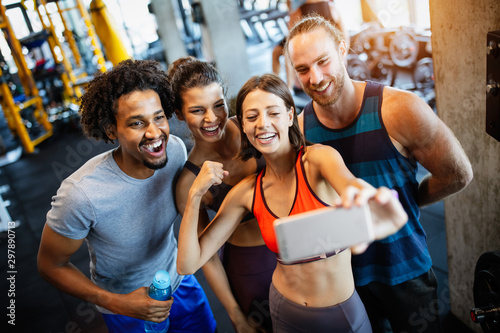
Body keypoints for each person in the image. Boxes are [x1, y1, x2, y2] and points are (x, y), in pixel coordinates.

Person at [176, 73, 409, 332]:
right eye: (252, 117)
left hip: (342, 314)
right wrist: (195, 194)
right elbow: (188, 264)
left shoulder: (319, 159)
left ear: (289, 115)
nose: (263, 124)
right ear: (242, 125)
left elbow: (350, 185)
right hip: (285, 312)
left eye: (273, 113)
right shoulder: (246, 192)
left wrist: (366, 197)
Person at [285, 15, 473, 332]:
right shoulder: (302, 130)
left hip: (405, 270)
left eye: (323, 61)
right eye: (303, 69)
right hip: (345, 280)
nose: (315, 77)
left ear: (342, 49)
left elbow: (457, 174)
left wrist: (404, 203)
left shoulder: (400, 109)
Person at [37, 59, 217, 333]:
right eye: (137, 123)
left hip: (180, 283)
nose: (155, 133)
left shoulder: (176, 152)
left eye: (159, 117)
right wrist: (118, 303)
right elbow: (50, 265)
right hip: (125, 305)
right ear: (111, 130)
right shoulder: (81, 194)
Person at [168, 56, 276, 332]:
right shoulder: (188, 182)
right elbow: (208, 258)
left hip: (298, 246)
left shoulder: (253, 125)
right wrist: (236, 316)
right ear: (179, 114)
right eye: (197, 110)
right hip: (252, 266)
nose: (211, 118)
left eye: (218, 106)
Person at [272, 0, 349, 93]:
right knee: (278, 51)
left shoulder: (297, 13)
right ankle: (287, 88)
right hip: (302, 38)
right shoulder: (331, 8)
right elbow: (344, 36)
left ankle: (289, 88)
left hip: (313, 41)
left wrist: (343, 58)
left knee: (281, 52)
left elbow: (344, 36)